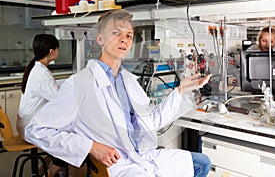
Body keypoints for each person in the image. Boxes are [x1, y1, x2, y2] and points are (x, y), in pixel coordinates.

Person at [24, 9, 211, 177]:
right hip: (117, 165)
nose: (124, 39)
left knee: (202, 163)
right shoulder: (80, 84)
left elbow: (152, 121)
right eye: (116, 33)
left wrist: (180, 90)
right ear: (100, 39)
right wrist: (91, 147)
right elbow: (36, 130)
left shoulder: (129, 81)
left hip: (140, 155)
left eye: (129, 35)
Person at [17, 34, 68, 177]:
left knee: (65, 135)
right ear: (52, 51)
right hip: (30, 128)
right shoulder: (42, 74)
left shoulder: (37, 69)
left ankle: (42, 169)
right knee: (67, 141)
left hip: (27, 124)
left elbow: (52, 90)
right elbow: (59, 99)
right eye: (58, 48)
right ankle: (49, 174)